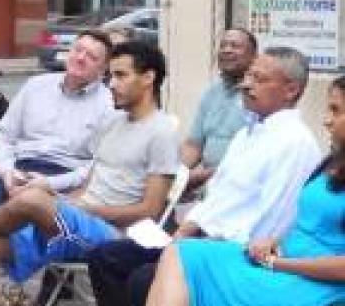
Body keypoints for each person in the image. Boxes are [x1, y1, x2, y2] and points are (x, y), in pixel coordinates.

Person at [0, 42, 180, 306]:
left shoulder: (162, 131)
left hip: (115, 236)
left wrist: (83, 210)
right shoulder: (113, 123)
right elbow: (90, 184)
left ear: (148, 78)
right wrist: (62, 199)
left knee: (33, 199)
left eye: (121, 76)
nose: (111, 84)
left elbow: (150, 210)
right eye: (111, 76)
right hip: (75, 223)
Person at [87, 46, 323, 306]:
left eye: (259, 79)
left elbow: (273, 222)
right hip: (199, 237)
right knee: (107, 258)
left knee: (143, 279)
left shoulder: (294, 143)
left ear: (291, 90)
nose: (246, 85)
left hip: (233, 250)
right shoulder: (249, 133)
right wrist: (186, 230)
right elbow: (216, 197)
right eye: (248, 76)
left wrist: (201, 245)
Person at [0, 30, 116, 306]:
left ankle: (50, 290)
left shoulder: (108, 105)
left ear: (103, 68)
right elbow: (3, 135)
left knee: (27, 224)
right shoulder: (36, 86)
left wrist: (49, 184)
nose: (81, 58)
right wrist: (6, 172)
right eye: (78, 50)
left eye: (92, 56)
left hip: (63, 181)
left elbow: (95, 166)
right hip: (17, 170)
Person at [147, 75, 345, 306]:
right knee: (182, 253)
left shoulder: (295, 142)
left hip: (310, 282)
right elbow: (309, 223)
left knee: (159, 273)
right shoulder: (332, 161)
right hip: (282, 258)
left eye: (336, 110)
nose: (326, 120)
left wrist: (277, 263)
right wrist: (273, 242)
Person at [181, 28, 257, 195]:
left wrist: (206, 176)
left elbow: (256, 159)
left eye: (235, 46)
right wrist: (176, 176)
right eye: (223, 45)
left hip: (240, 190)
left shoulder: (258, 97)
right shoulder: (211, 93)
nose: (226, 50)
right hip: (207, 191)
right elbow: (193, 144)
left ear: (253, 57)